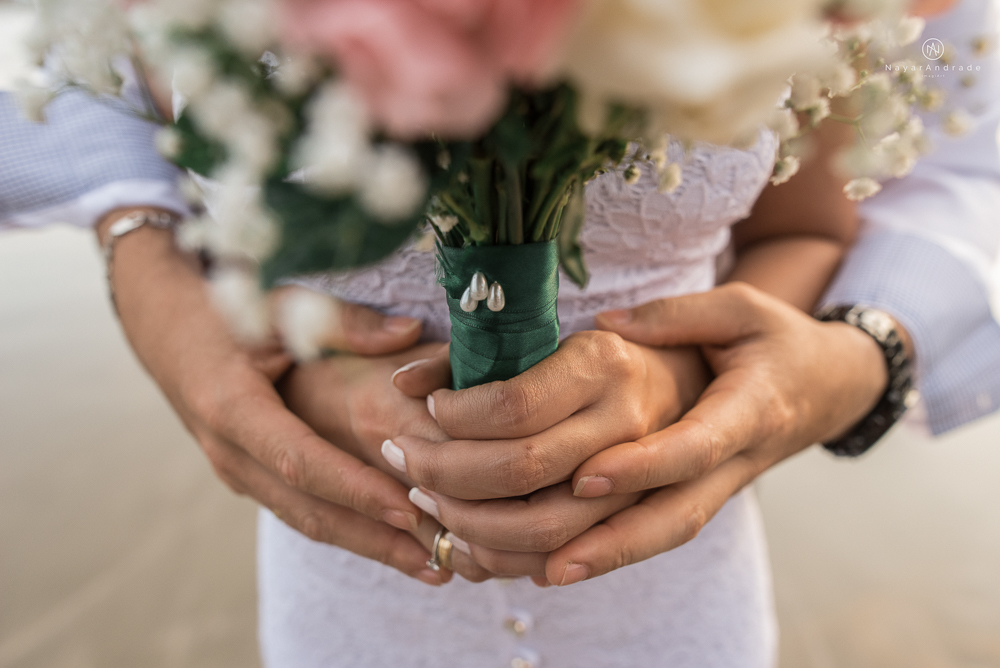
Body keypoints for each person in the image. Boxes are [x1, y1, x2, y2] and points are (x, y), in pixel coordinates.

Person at [2, 0, 998, 666]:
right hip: (345, 601)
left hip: (675, 601)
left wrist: (701, 373)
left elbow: (810, 226)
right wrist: (155, 282)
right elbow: (102, 114)